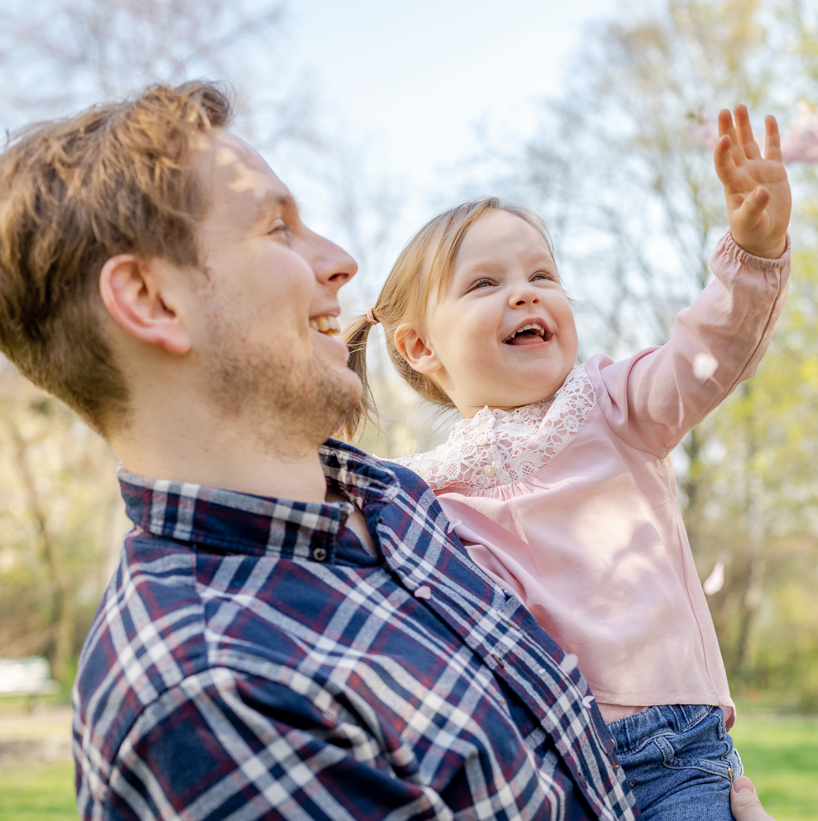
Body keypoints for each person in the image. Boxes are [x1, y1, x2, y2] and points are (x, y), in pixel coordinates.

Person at [0, 80, 778, 821]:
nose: (341, 258)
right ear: (151, 300)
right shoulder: (210, 690)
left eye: (545, 273)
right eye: (279, 228)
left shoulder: (394, 506)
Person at [340, 106, 791, 820]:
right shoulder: (420, 490)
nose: (525, 291)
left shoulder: (615, 406)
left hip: (674, 756)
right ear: (420, 347)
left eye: (542, 274)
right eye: (484, 284)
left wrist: (753, 256)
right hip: (545, 764)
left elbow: (704, 358)